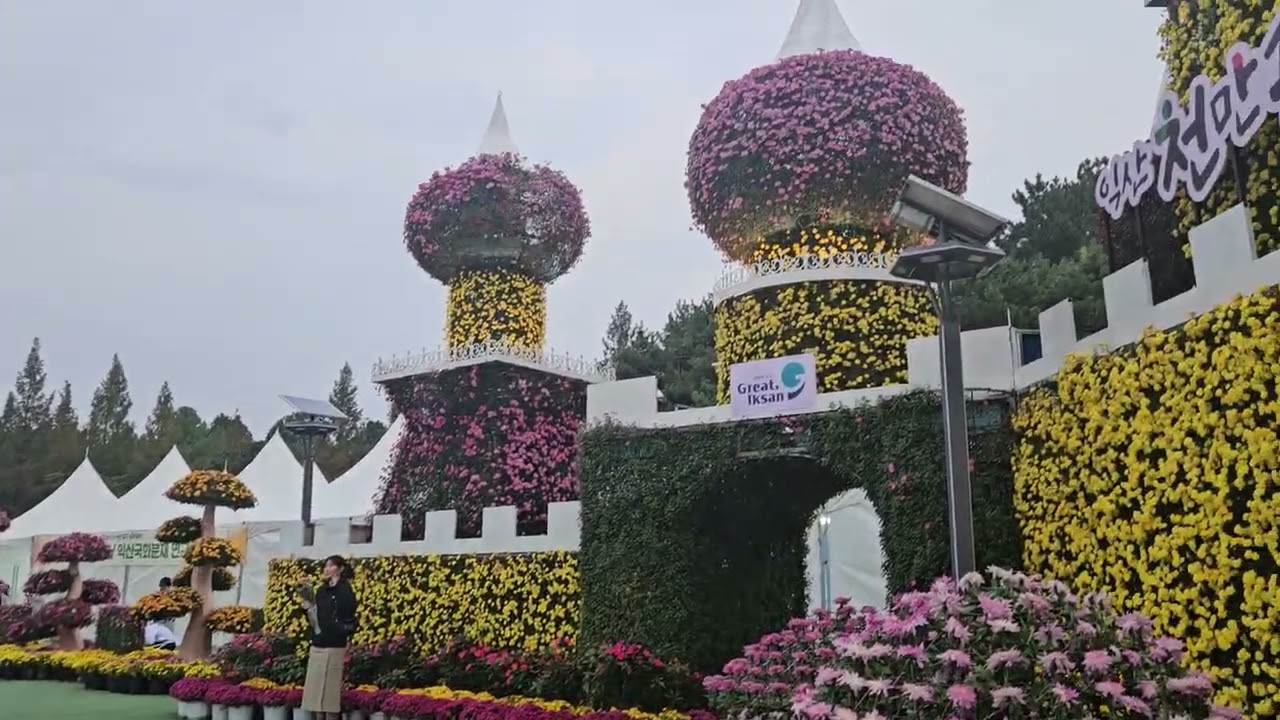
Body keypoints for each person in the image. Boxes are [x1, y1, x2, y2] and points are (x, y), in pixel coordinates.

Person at [300, 555, 357, 720]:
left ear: (340, 569)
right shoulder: (321, 590)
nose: (326, 569)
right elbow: (314, 619)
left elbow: (349, 614)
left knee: (330, 695)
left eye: (331, 566)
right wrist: (308, 608)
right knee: (315, 693)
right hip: (318, 643)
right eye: (325, 566)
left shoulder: (345, 590)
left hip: (335, 644)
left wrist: (341, 631)